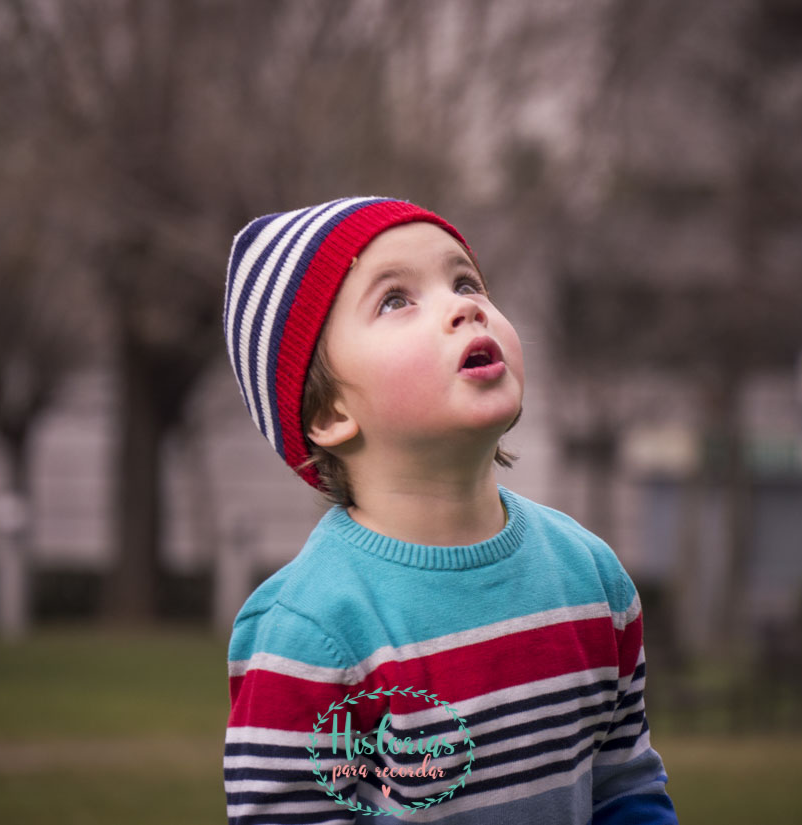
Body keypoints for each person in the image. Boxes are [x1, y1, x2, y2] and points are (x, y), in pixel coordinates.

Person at [222, 196, 678, 824]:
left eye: (466, 281)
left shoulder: (590, 579)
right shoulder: (310, 632)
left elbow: (625, 787)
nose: (464, 306)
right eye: (395, 300)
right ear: (329, 414)